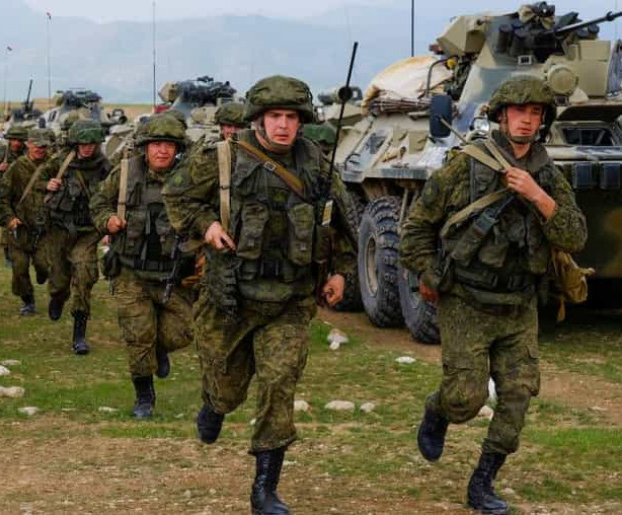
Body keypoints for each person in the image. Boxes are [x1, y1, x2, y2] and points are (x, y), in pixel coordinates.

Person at [163, 75, 357, 514]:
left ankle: (265, 489)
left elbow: (341, 223)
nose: (283, 125)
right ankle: (214, 403)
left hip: (289, 300)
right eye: (274, 116)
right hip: (231, 298)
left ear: (302, 121)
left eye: (291, 117)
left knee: (278, 382)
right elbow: (177, 196)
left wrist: (342, 273)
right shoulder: (223, 157)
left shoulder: (318, 164)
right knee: (228, 390)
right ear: (258, 119)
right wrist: (207, 226)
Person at [399, 76, 587, 515]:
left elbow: (576, 236)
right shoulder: (464, 166)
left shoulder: (548, 175)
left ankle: (482, 483)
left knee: (518, 395)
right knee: (465, 398)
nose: (527, 120)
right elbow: (416, 229)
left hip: (520, 305)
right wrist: (430, 273)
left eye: (536, 113)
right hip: (467, 300)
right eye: (519, 111)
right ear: (501, 115)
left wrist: (538, 196)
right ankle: (438, 410)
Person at [90, 113, 194, 419]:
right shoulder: (125, 173)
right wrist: (107, 220)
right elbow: (98, 202)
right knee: (138, 335)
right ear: (145, 147)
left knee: (187, 329)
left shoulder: (190, 178)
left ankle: (158, 350)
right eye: (156, 144)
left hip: (173, 274)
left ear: (178, 149)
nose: (162, 150)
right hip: (130, 271)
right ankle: (144, 395)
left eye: (169, 145)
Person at [41, 119, 111, 354]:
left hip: (88, 232)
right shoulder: (60, 161)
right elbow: (36, 181)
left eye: (92, 143)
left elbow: (115, 195)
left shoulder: (105, 166)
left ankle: (79, 333)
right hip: (60, 229)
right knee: (59, 281)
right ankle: (57, 297)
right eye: (83, 143)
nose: (87, 148)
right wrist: (47, 184)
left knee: (84, 275)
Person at [0, 129, 53, 315]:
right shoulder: (16, 167)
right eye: (36, 145)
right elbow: (1, 198)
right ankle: (28, 300)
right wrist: (9, 219)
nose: (40, 149)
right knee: (19, 267)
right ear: (28, 144)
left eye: (43, 146)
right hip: (20, 228)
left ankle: (43, 274)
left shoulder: (54, 166)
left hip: (46, 228)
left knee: (44, 265)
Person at [0, 126, 28, 254]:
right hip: (2, 191)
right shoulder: (0, 151)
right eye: (14, 140)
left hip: (21, 192)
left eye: (19, 140)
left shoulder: (28, 153)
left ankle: (9, 247)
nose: (16, 143)